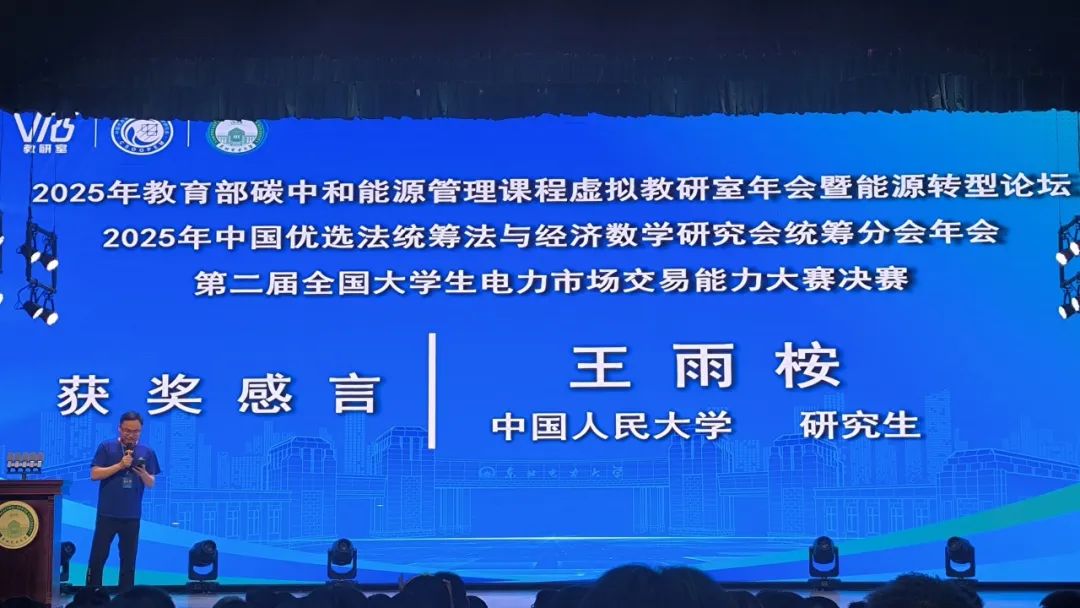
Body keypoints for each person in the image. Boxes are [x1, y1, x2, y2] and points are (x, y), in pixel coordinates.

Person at [85, 411, 161, 591]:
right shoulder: (106, 447)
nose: (131, 435)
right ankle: (92, 594)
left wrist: (143, 474)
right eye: (127, 430)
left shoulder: (147, 452)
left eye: (136, 431)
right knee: (98, 557)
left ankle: (126, 596)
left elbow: (151, 483)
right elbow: (94, 474)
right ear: (119, 428)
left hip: (132, 514)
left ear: (141, 431)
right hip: (107, 513)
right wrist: (120, 465)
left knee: (128, 560)